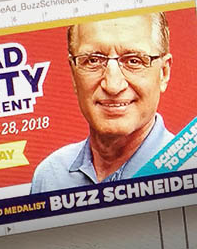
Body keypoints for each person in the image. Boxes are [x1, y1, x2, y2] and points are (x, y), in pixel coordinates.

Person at [30, 13, 173, 193]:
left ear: (164, 73)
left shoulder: (189, 167)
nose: (113, 86)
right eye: (93, 60)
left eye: (134, 60)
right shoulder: (50, 177)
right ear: (74, 75)